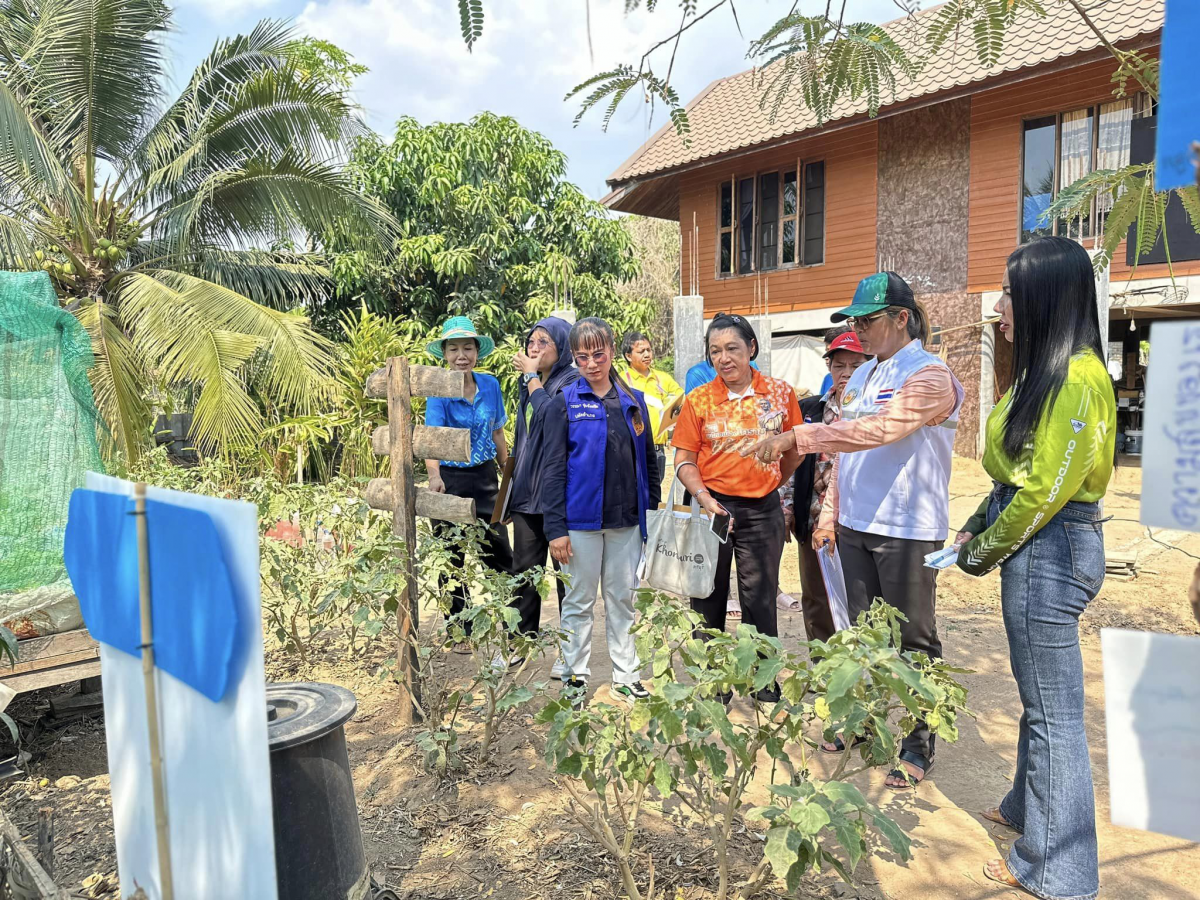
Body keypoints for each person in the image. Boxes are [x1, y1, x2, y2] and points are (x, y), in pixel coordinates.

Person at [748, 271, 963, 787]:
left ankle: (916, 743)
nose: (860, 331)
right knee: (860, 635)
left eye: (867, 321)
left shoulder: (930, 376)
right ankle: (861, 721)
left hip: (908, 528)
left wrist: (799, 434)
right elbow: (845, 456)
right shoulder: (864, 376)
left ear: (900, 318)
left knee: (913, 638)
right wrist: (829, 513)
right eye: (855, 322)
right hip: (855, 525)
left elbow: (878, 431)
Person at [953, 237, 1115, 900]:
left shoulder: (1076, 379)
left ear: (1047, 298)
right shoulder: (1048, 373)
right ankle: (1026, 807)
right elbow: (1016, 474)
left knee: (1055, 716)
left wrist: (981, 553)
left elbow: (1043, 493)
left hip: (1049, 550)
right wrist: (976, 520)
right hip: (1043, 544)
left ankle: (1057, 866)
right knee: (1039, 702)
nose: (998, 306)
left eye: (1011, 293)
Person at [672, 314, 802, 703]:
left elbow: (794, 449)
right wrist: (704, 498)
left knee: (759, 596)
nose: (723, 358)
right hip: (712, 507)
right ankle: (713, 682)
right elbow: (684, 459)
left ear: (752, 349)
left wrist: (772, 485)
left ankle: (762, 679)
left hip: (763, 509)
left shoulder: (779, 394)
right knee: (707, 595)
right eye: (715, 351)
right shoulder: (698, 400)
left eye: (732, 348)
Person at [542, 319, 661, 706]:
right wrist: (556, 528)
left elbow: (649, 460)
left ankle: (627, 676)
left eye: (599, 354)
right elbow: (553, 468)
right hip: (580, 524)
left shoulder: (632, 400)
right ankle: (575, 678)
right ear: (573, 358)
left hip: (626, 521)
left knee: (622, 599)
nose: (592, 363)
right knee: (578, 602)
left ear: (611, 350)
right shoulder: (565, 401)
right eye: (582, 356)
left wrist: (651, 512)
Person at [424, 317, 514, 645]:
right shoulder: (438, 388)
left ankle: (512, 625)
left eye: (467, 347)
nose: (461, 354)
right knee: (452, 557)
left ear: (477, 351)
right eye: (454, 348)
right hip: (450, 480)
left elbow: (498, 431)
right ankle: (459, 630)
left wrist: (508, 472)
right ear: (445, 354)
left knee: (500, 552)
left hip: (487, 475)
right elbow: (431, 439)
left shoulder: (489, 385)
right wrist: (434, 477)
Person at [779, 327, 867, 642]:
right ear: (828, 367)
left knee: (860, 602)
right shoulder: (809, 410)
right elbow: (791, 466)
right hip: (813, 521)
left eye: (855, 366)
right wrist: (788, 509)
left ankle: (860, 674)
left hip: (860, 525)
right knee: (816, 599)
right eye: (839, 365)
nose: (846, 373)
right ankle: (823, 671)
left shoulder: (875, 414)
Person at [507, 316, 575, 646]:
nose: (534, 348)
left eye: (543, 342)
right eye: (531, 342)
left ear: (561, 349)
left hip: (559, 498)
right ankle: (521, 643)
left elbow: (551, 418)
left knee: (568, 580)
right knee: (523, 575)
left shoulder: (572, 382)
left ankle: (571, 652)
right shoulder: (527, 384)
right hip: (526, 497)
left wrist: (532, 377)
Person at [620, 331, 683, 477]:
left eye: (649, 350)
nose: (647, 354)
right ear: (628, 356)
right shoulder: (621, 381)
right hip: (631, 449)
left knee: (654, 495)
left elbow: (681, 399)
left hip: (657, 450)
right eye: (641, 351)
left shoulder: (662, 378)